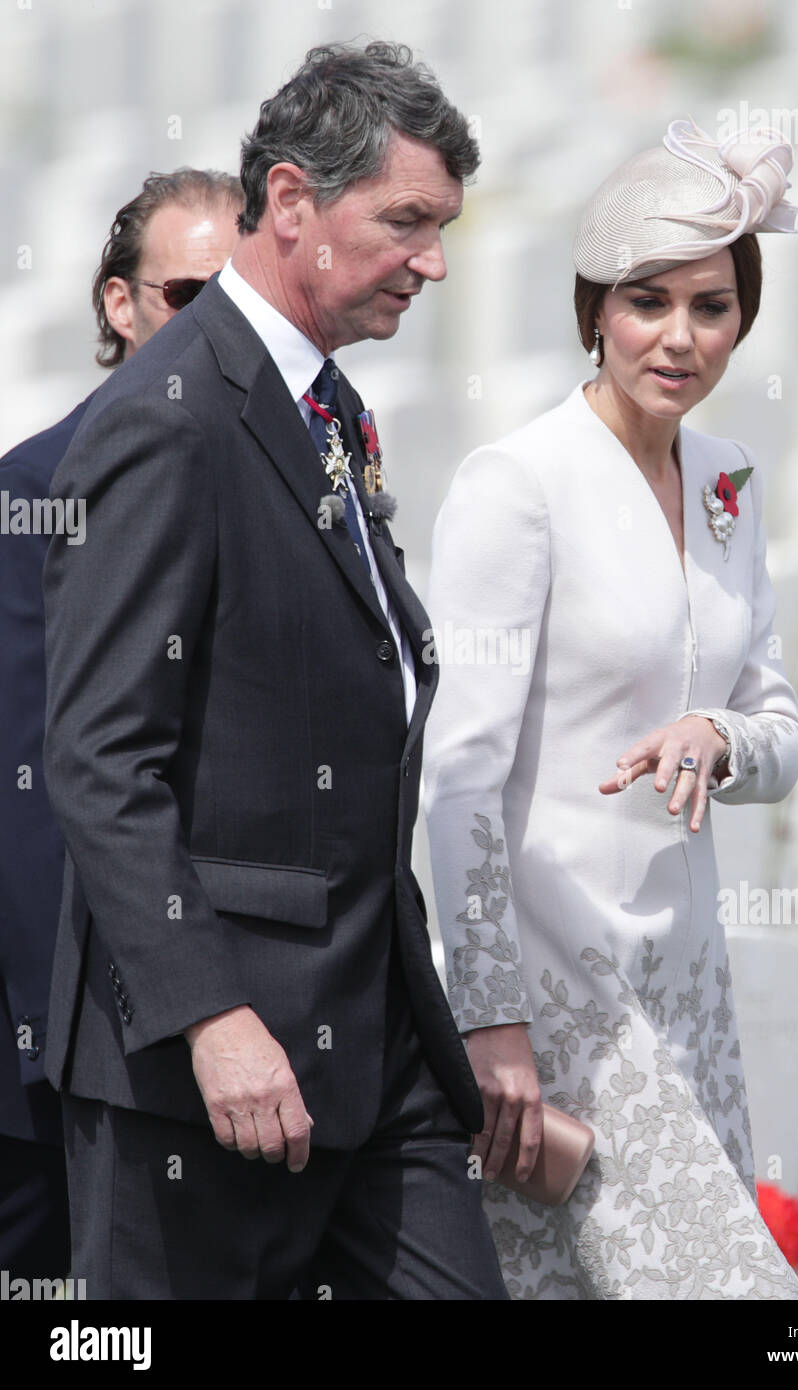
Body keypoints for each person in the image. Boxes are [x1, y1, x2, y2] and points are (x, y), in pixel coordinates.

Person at [42, 41, 507, 1301]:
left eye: (443, 227)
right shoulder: (166, 416)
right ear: (292, 201)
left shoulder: (329, 407)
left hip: (373, 1038)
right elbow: (97, 755)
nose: (434, 262)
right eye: (405, 223)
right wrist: (211, 1017)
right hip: (207, 1070)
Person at [424, 118, 798, 1299]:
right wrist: (491, 1026)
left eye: (712, 306)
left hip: (688, 985)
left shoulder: (729, 479)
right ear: (594, 306)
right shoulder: (518, 484)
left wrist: (719, 735)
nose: (679, 337)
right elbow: (458, 776)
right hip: (558, 998)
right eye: (648, 301)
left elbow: (782, 729)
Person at [0, 168, 241, 1283]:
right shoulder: (42, 488)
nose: (217, 325)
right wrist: (68, 1053)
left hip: (237, 1023)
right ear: (119, 304)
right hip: (79, 1049)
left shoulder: (289, 474)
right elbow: (38, 785)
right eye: (191, 293)